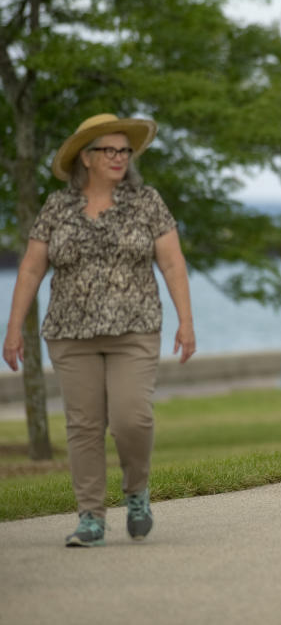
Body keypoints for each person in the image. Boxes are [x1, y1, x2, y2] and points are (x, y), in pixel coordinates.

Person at [3, 114, 196, 547]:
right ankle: (90, 516)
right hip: (70, 333)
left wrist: (186, 321)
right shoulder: (57, 207)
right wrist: (14, 328)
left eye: (124, 150)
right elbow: (33, 268)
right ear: (85, 158)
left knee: (132, 418)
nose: (118, 157)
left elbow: (172, 263)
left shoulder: (146, 201)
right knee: (84, 425)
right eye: (108, 150)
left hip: (135, 328)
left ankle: (137, 492)